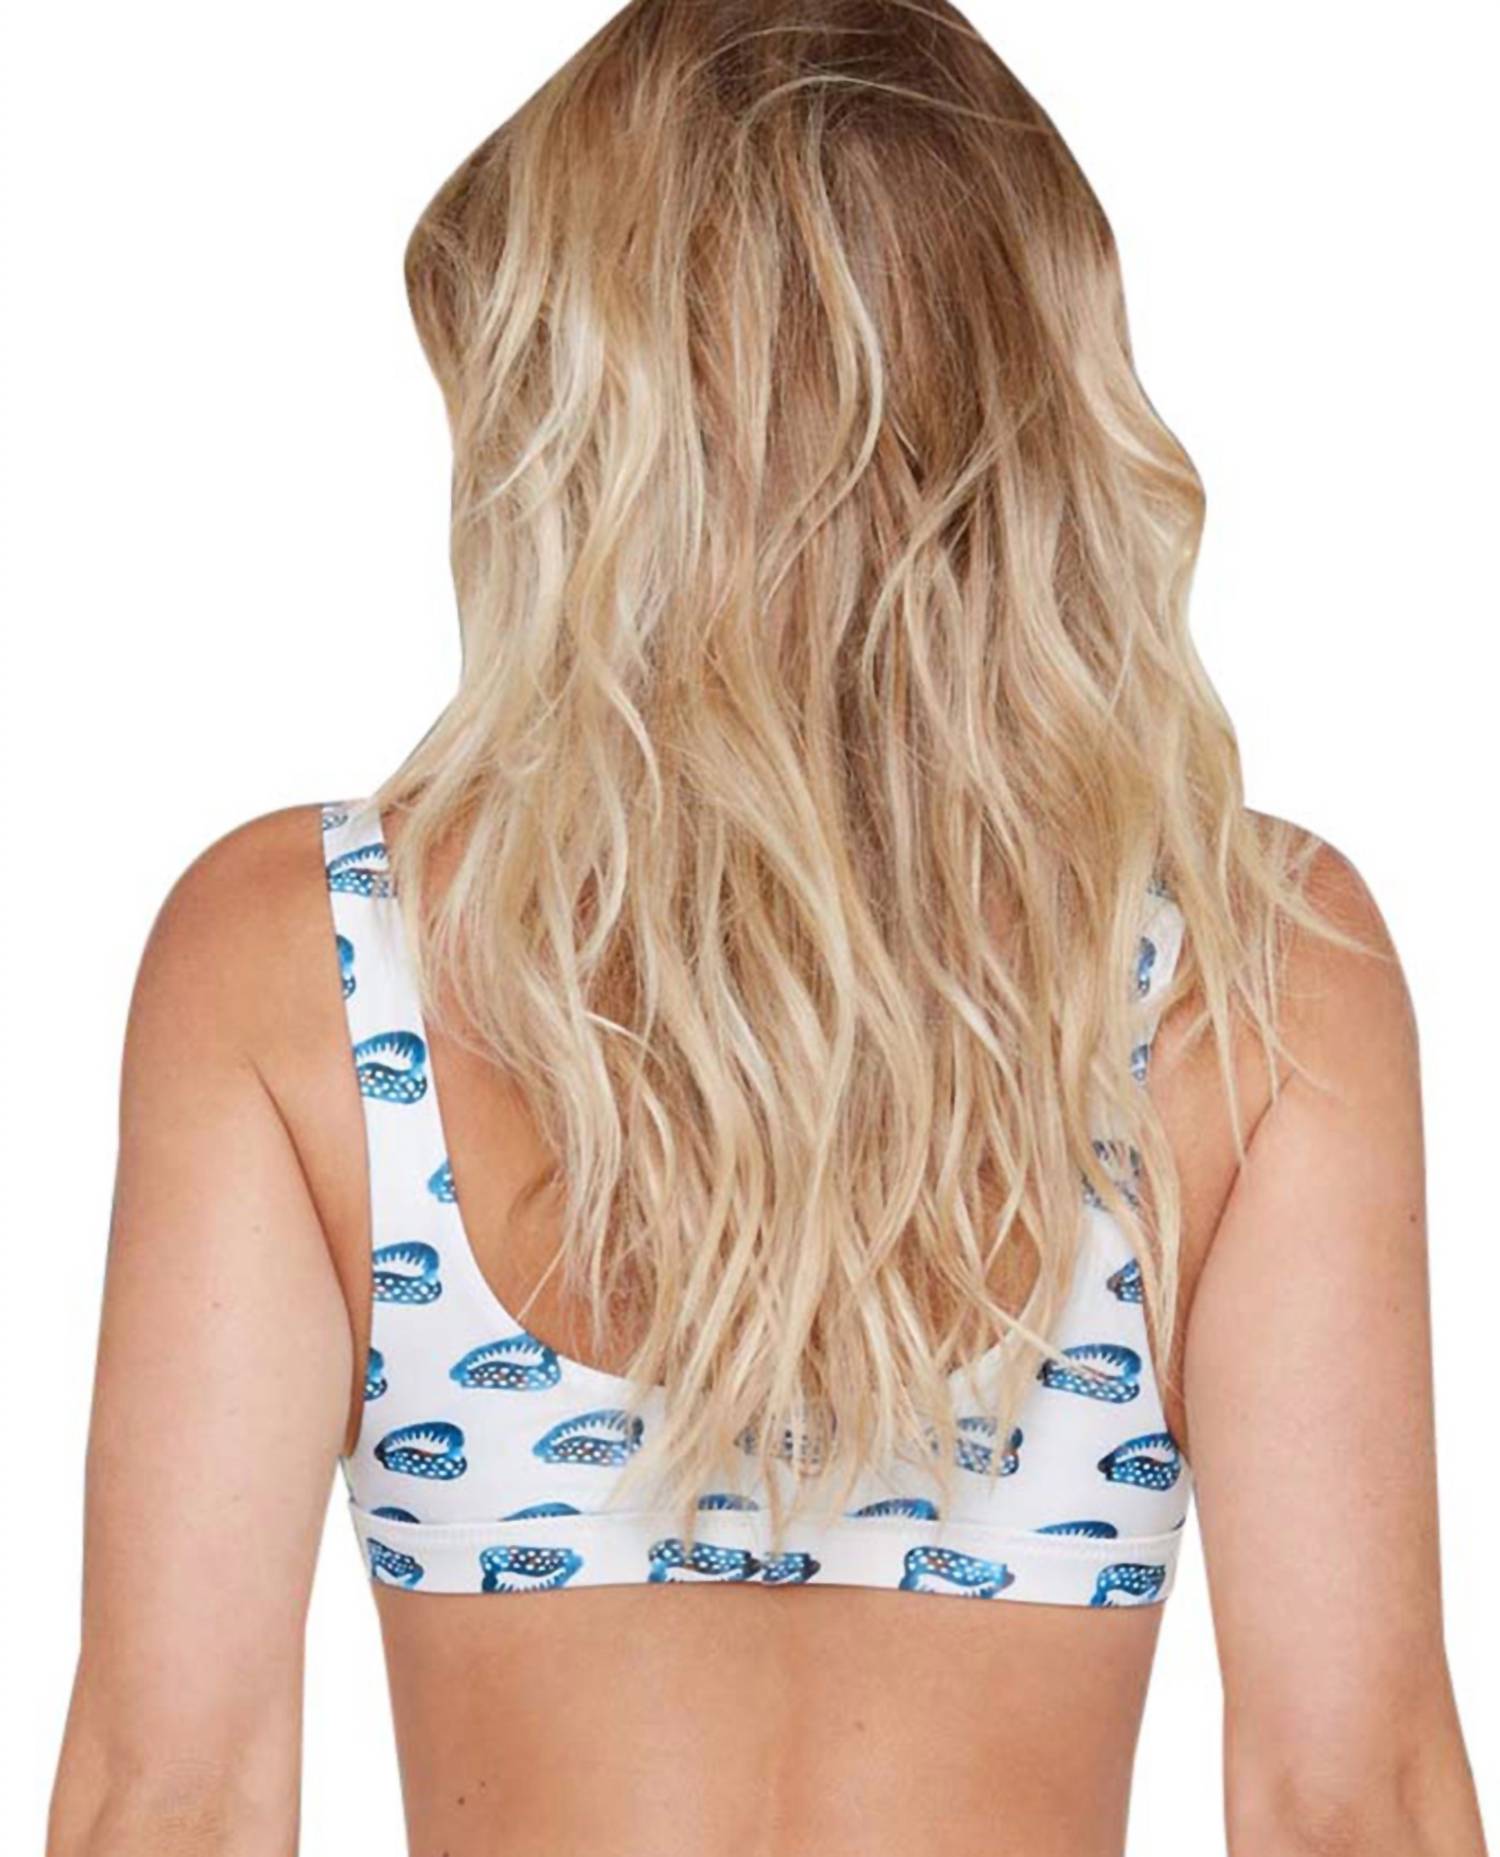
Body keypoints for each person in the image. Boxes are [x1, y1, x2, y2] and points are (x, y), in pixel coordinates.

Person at [44, 3, 1489, 1854]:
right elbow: (1348, 1805)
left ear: (582, 431)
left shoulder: (303, 967)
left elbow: (174, 1802)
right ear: (1035, 406)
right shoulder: (1251, 968)